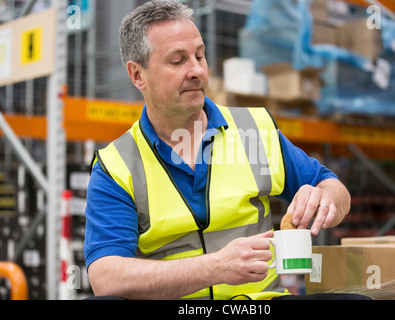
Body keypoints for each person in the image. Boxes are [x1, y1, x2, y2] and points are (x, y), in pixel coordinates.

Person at [84, 0, 367, 300]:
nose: (195, 70)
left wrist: (326, 198)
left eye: (200, 55)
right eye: (177, 61)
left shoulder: (253, 129)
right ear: (137, 75)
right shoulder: (117, 165)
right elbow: (106, 278)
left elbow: (336, 190)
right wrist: (214, 267)